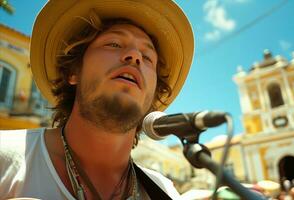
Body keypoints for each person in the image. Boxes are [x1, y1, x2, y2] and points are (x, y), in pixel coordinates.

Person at [0, 0, 194, 199]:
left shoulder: (164, 192)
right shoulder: (5, 157)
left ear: (153, 93)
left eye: (147, 57)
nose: (135, 56)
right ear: (74, 72)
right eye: (114, 44)